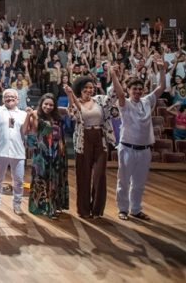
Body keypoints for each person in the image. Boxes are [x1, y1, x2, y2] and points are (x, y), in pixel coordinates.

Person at [111, 60, 165, 221]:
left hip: (144, 149)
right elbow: (119, 94)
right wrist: (113, 75)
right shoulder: (125, 103)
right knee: (124, 181)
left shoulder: (147, 101)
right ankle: (122, 209)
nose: (138, 91)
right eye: (134, 89)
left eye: (140, 89)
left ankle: (135, 209)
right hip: (127, 148)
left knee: (139, 183)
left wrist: (162, 70)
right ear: (129, 90)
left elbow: (161, 88)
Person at [66, 75, 116, 219]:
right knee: (83, 175)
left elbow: (113, 95)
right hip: (83, 139)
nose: (89, 90)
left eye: (91, 87)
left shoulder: (99, 100)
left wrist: (115, 75)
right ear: (80, 90)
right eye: (86, 88)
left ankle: (97, 210)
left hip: (99, 137)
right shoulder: (76, 102)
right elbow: (73, 113)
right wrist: (70, 95)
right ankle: (83, 210)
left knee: (100, 175)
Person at [27, 93, 69, 219]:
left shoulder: (58, 115)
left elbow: (71, 110)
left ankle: (54, 206)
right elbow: (34, 131)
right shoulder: (36, 115)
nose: (48, 106)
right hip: (42, 151)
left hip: (58, 151)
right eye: (46, 104)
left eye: (51, 104)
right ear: (41, 104)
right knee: (41, 178)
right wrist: (32, 115)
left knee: (55, 179)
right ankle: (42, 206)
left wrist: (70, 95)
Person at [0, 88, 30, 215]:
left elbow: (26, 132)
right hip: (0, 151)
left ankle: (17, 204)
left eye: (12, 97)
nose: (10, 98)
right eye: (7, 96)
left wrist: (30, 115)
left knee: (18, 181)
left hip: (18, 152)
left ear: (18, 99)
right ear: (3, 99)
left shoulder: (23, 114)